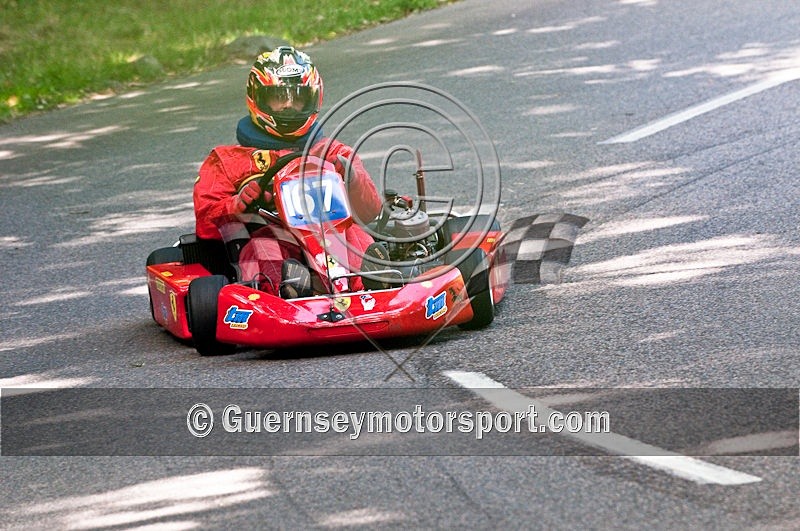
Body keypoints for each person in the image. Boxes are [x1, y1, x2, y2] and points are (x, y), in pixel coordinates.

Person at [193, 46, 383, 298]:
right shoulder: (228, 160)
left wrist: (352, 179)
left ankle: (374, 286)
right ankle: (288, 290)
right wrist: (237, 204)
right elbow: (205, 225)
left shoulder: (334, 151)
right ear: (258, 98)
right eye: (279, 97)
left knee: (356, 234)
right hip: (273, 235)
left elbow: (371, 211)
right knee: (264, 249)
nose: (289, 106)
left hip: (333, 235)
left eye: (298, 98)